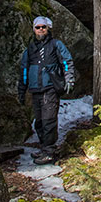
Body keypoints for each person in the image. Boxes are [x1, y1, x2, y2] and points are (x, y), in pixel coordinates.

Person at [17, 15, 75, 165]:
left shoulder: (56, 45)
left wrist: (69, 79)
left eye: (43, 27)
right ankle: (44, 148)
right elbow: (24, 70)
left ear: (48, 28)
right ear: (34, 30)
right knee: (39, 122)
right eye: (38, 27)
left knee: (49, 120)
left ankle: (50, 151)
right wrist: (22, 91)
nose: (41, 29)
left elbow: (67, 61)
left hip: (51, 88)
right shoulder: (30, 50)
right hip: (35, 89)